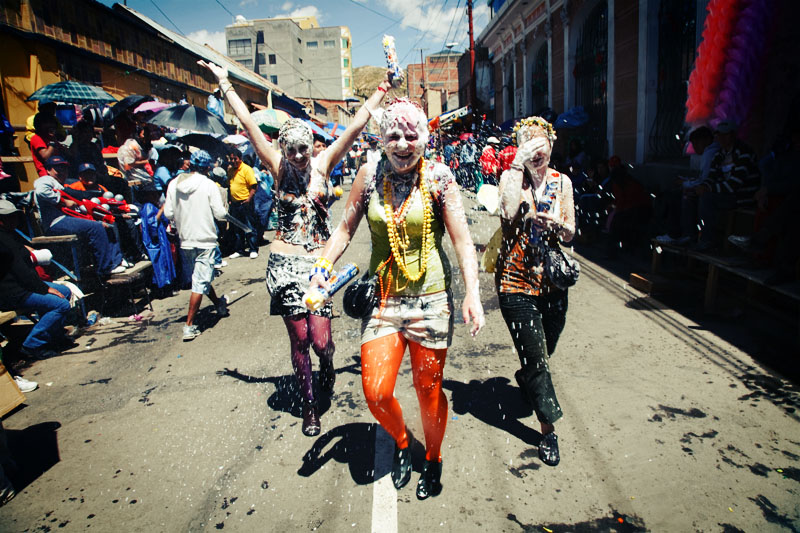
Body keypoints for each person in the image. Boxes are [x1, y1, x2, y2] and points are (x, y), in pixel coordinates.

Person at [199, 58, 392, 437]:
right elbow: (250, 126)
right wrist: (225, 85)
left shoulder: (324, 164)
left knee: (321, 342)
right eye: (293, 150)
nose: (300, 156)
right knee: (299, 339)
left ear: (312, 145)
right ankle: (308, 406)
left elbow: (355, 126)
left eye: (304, 149)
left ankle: (329, 364)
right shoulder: (276, 166)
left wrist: (383, 87)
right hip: (284, 263)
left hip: (318, 265)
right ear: (284, 149)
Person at [308, 97, 484, 499]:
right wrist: (322, 268)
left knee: (428, 392)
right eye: (394, 136)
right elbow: (343, 231)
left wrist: (472, 292)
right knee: (375, 392)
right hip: (384, 300)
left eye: (411, 135)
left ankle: (434, 457)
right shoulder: (369, 174)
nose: (403, 144)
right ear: (381, 139)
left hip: (431, 300)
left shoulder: (440, 177)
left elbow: (462, 241)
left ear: (424, 137)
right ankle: (404, 442)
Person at [496, 116, 576, 468]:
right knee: (538, 359)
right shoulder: (511, 177)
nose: (536, 150)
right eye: (527, 144)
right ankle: (548, 432)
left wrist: (557, 224)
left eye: (540, 143)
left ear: (551, 146)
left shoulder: (563, 182)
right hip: (515, 282)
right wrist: (515, 164)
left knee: (545, 350)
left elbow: (572, 232)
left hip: (553, 283)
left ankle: (527, 376)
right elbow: (508, 213)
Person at [163, 150, 229, 341]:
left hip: (185, 241)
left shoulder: (174, 184)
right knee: (200, 281)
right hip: (205, 240)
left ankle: (219, 305)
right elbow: (219, 213)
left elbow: (168, 213)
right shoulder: (208, 184)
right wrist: (225, 213)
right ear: (208, 167)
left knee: (201, 278)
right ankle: (189, 326)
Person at [0, 199, 74, 360]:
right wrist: (44, 288)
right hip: (13, 292)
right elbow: (20, 271)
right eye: (9, 217)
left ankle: (54, 337)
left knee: (65, 291)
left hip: (23, 285)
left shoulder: (10, 235)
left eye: (15, 216)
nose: (14, 220)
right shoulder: (3, 241)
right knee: (60, 304)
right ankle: (33, 344)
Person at [34, 156, 126, 276]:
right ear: (49, 170)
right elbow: (41, 191)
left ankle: (116, 261)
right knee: (96, 227)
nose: (62, 172)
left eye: (64, 168)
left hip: (68, 219)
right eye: (57, 169)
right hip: (55, 222)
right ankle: (105, 268)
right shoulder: (46, 179)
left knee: (107, 223)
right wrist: (63, 201)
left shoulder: (61, 184)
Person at [694, 120, 759, 250]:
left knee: (707, 199)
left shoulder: (743, 152)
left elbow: (734, 185)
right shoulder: (719, 155)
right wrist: (701, 187)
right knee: (689, 197)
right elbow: (711, 177)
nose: (721, 138)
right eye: (719, 135)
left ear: (733, 135)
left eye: (725, 135)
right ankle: (690, 236)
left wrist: (708, 188)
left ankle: (709, 241)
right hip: (725, 194)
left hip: (742, 196)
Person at [139, 183, 176, 290]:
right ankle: (162, 288)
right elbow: (152, 223)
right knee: (160, 262)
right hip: (155, 240)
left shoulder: (153, 206)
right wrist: (161, 210)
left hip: (161, 237)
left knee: (164, 261)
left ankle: (166, 285)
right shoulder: (148, 207)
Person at [225, 145, 259, 259]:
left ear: (240, 158)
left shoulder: (246, 169)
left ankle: (253, 249)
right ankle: (239, 250)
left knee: (249, 227)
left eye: (235, 159)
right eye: (231, 159)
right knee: (237, 228)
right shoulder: (231, 171)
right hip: (235, 204)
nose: (233, 161)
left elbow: (254, 186)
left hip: (245, 202)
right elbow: (230, 186)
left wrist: (249, 199)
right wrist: (230, 200)